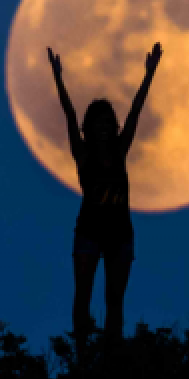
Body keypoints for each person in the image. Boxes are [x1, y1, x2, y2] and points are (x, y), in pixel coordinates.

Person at [49, 42, 162, 338]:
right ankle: (82, 354)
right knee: (83, 296)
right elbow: (69, 115)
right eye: (97, 122)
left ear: (113, 125)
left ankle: (113, 356)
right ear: (90, 126)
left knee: (115, 302)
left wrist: (149, 74)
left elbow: (137, 110)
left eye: (107, 121)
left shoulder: (121, 149)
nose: (103, 126)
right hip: (88, 233)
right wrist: (58, 79)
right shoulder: (83, 155)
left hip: (120, 236)